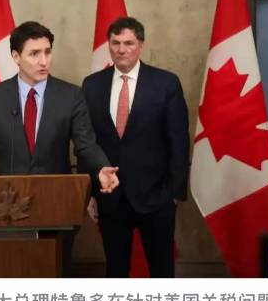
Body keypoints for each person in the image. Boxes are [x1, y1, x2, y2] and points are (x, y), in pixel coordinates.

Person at [0, 21, 119, 275]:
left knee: (54, 274)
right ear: (16, 57)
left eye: (47, 52)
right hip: (7, 207)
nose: (43, 61)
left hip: (57, 204)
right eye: (34, 54)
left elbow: (86, 144)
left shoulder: (70, 95)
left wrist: (101, 167)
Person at [81, 17, 189, 278]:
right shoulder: (92, 85)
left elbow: (178, 140)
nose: (121, 50)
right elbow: (87, 142)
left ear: (141, 44)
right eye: (115, 43)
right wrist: (90, 192)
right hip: (111, 196)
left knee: (162, 271)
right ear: (108, 45)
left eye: (128, 43)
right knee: (116, 271)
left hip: (157, 196)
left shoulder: (166, 83)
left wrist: (174, 194)